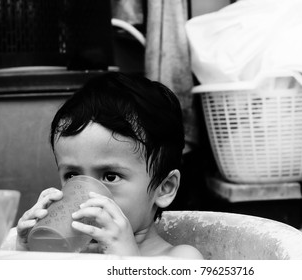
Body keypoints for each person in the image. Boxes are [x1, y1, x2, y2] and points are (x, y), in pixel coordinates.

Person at [16, 72, 203, 259]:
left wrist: (127, 260)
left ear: (164, 188)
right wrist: (27, 256)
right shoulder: (69, 255)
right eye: (72, 176)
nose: (88, 197)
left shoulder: (181, 258)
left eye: (110, 176)